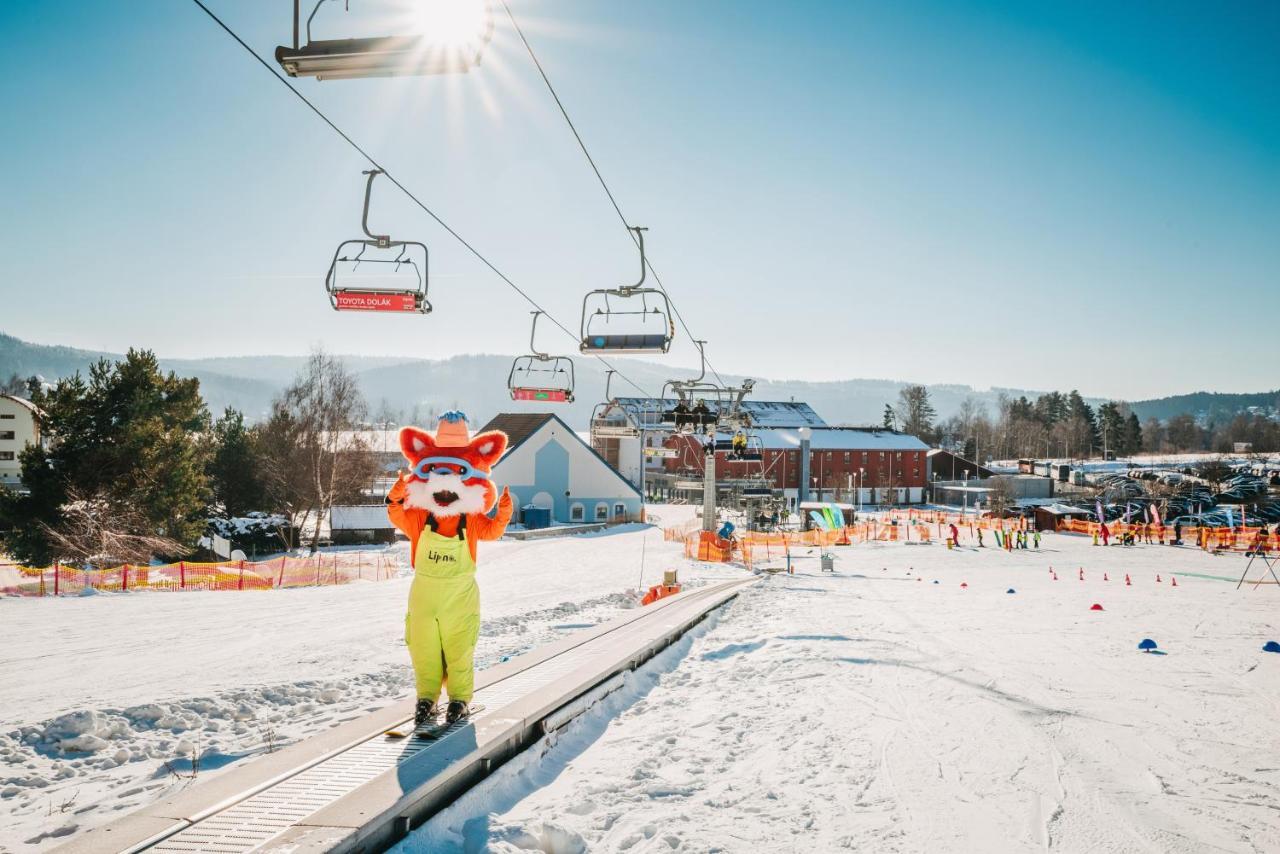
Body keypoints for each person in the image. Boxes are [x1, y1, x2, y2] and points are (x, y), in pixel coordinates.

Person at [387, 412, 513, 735]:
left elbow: (492, 530)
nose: (444, 486)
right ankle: (426, 698)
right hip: (425, 601)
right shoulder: (420, 517)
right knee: (424, 648)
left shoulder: (468, 521)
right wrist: (397, 492)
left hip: (459, 599)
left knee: (459, 650)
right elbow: (395, 512)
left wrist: (504, 513)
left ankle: (459, 699)